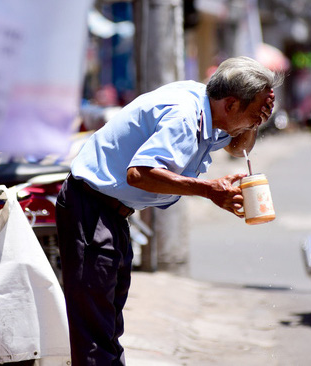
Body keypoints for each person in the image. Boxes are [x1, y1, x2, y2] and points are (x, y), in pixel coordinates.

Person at [55, 56, 283, 365]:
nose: (256, 123)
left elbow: (235, 145)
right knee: (95, 334)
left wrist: (258, 118)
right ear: (231, 104)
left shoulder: (209, 109)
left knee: (107, 326)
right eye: (254, 114)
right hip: (92, 209)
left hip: (113, 215)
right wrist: (208, 190)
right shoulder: (184, 117)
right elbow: (140, 173)